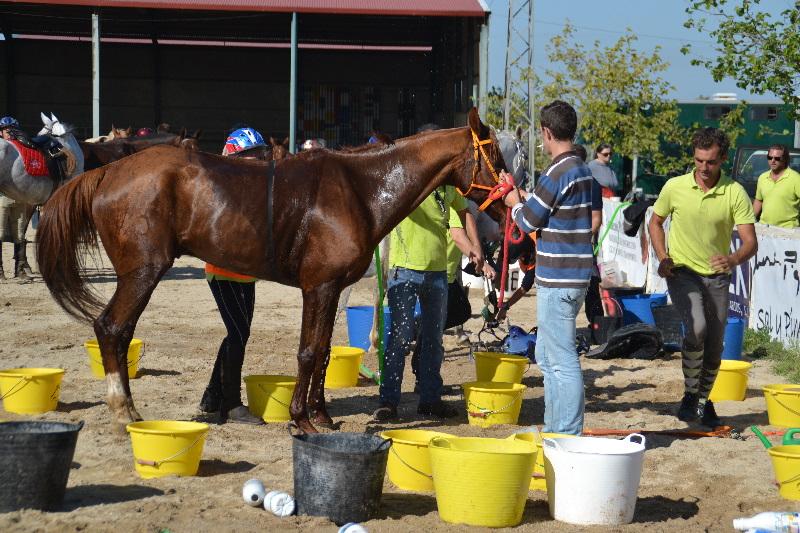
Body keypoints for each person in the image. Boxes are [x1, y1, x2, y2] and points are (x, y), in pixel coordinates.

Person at [374, 124, 492, 422]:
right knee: (399, 339)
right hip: (405, 270)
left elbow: (458, 221)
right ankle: (389, 401)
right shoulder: (407, 176)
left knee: (433, 341)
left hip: (438, 273)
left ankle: (429, 400)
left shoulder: (448, 185)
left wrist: (475, 250)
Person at [648, 127, 757, 428]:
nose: (704, 168)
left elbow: (750, 242)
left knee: (715, 345)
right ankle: (689, 395)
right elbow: (655, 223)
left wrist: (733, 258)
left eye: (710, 161)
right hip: (681, 271)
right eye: (698, 160)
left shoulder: (735, 191)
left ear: (723, 158)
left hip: (718, 276)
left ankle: (702, 400)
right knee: (696, 327)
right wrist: (662, 257)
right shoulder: (675, 186)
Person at [500, 100, 594, 436]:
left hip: (559, 277)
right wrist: (523, 194)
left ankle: (566, 435)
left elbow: (528, 221)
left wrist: (512, 202)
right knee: (548, 354)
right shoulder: (581, 168)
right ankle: (556, 429)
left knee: (561, 360)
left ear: (546, 132)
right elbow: (550, 207)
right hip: (574, 274)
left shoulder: (555, 171)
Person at [197, 127, 269, 425]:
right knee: (239, 334)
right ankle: (231, 404)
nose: (256, 162)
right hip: (222, 271)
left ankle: (212, 397)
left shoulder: (259, 185)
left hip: (247, 274)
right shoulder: (220, 186)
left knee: (237, 334)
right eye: (249, 157)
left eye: (259, 156)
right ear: (231, 156)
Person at [0, 117, 32, 280]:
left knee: (20, 234)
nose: (10, 133)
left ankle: (20, 268)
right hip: (2, 198)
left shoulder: (22, 150)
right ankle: (0, 270)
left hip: (20, 197)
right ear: (1, 133)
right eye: (7, 130)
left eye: (13, 130)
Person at [753, 143, 800, 228]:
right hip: (764, 227)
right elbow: (759, 200)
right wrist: (749, 220)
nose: (773, 160)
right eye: (770, 158)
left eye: (777, 158)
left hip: (788, 230)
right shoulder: (762, 177)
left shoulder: (796, 178)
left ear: (785, 159)